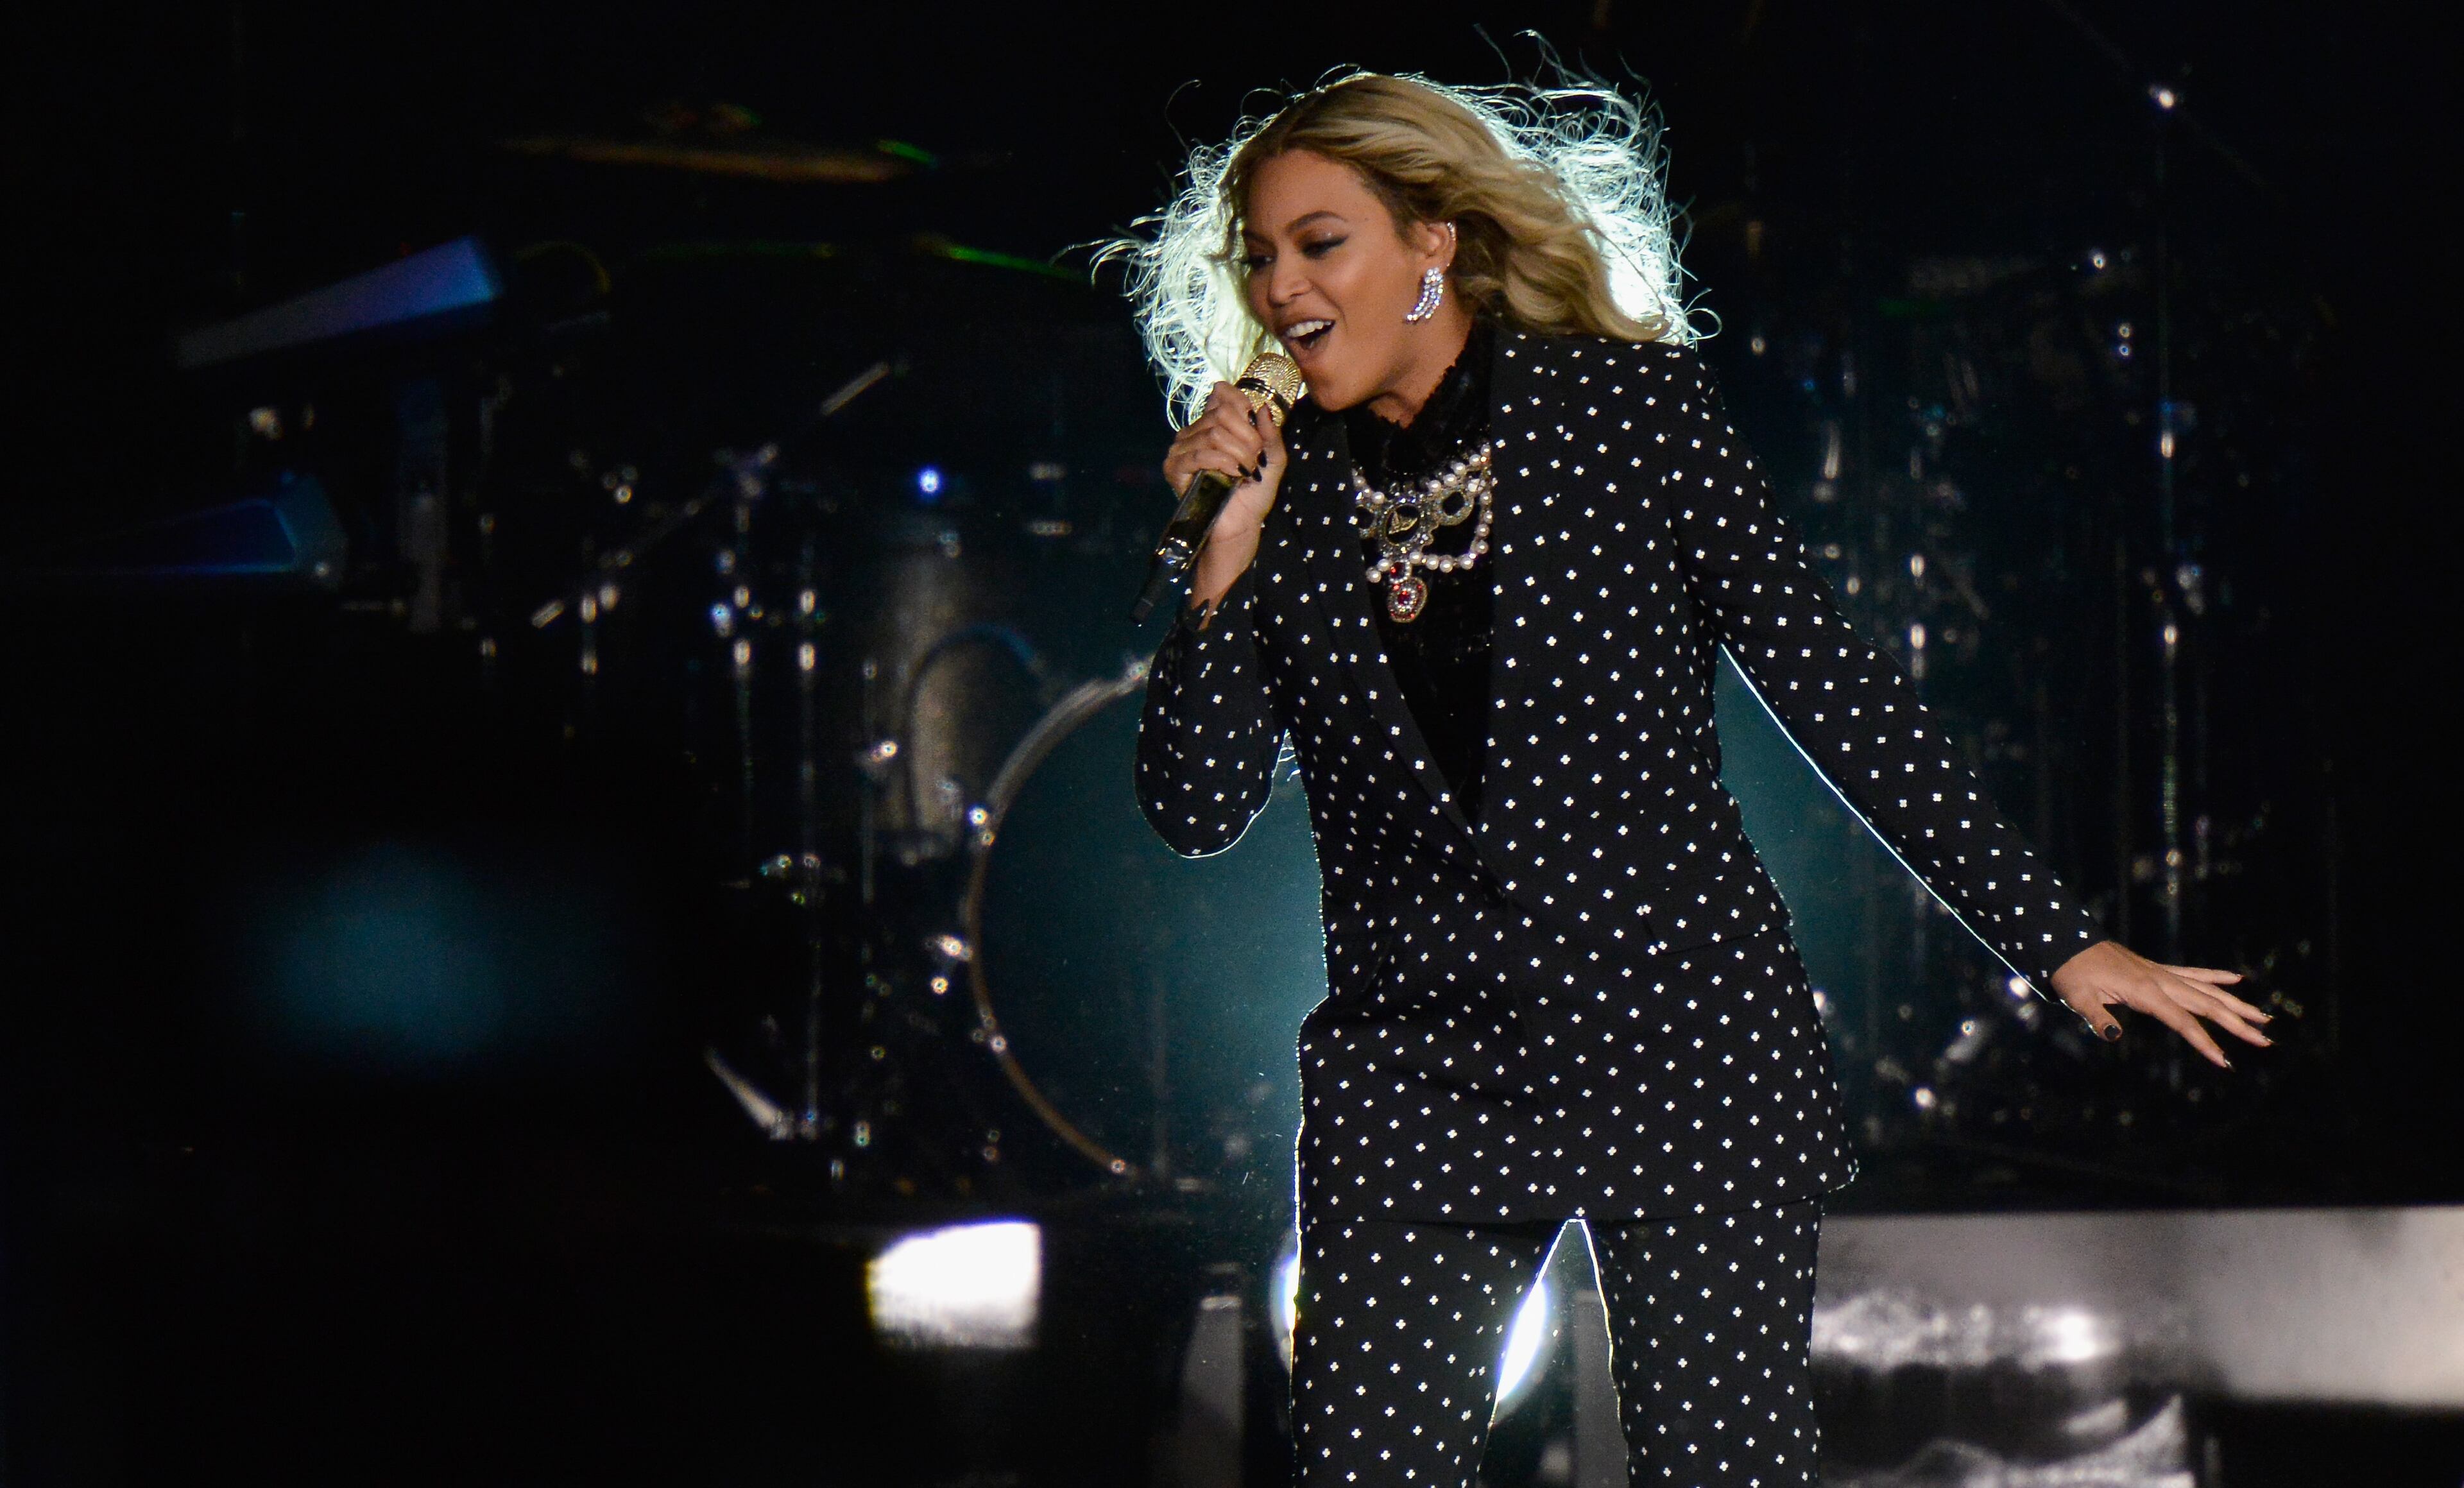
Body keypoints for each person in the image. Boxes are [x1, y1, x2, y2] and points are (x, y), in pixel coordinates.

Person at [1109, 72, 2272, 1486]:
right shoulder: (1280, 499)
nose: (1280, 283)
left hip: (1681, 1037)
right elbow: (1195, 803)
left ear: (1436, 242)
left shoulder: (1626, 414)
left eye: (1318, 242)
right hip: (1414, 1076)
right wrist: (1216, 575)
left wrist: (2058, 939)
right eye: (1261, 255)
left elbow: (1831, 689)